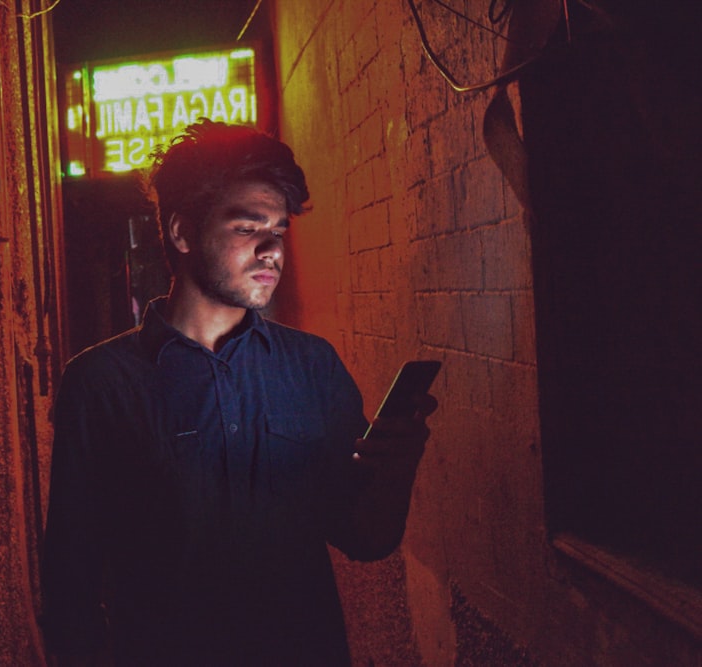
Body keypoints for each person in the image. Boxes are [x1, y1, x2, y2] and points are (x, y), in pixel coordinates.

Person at [39, 119, 436, 666]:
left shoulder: (311, 366)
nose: (273, 249)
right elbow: (70, 584)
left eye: (279, 230)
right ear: (181, 234)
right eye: (249, 228)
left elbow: (366, 539)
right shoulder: (102, 383)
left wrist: (399, 463)